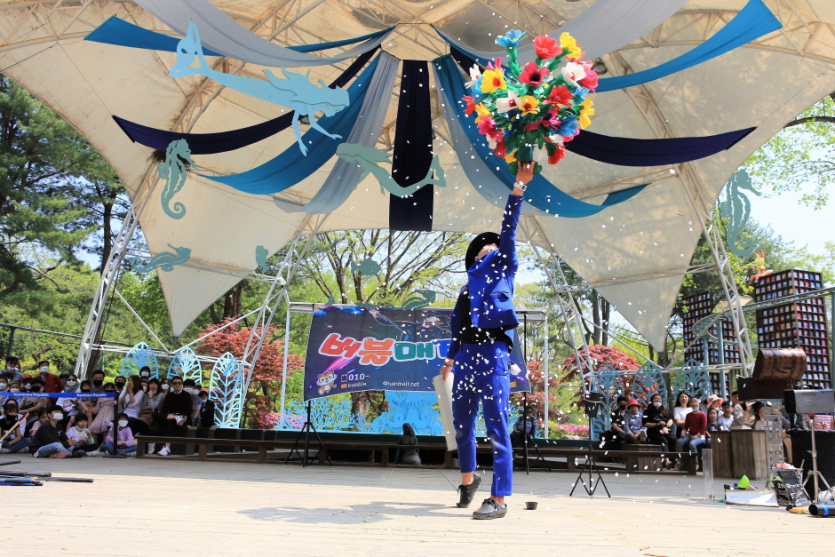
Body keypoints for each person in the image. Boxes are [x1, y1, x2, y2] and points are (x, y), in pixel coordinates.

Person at [438, 162, 532, 520]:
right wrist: (449, 359)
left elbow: (509, 229)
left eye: (491, 245)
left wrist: (518, 190)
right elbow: (457, 329)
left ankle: (500, 499)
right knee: (460, 423)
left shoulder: (504, 267)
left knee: (496, 424)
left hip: (493, 355)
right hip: (466, 358)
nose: (487, 248)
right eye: (481, 247)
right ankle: (468, 479)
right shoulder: (467, 289)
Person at [155, 376, 192, 456]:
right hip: (171, 416)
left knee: (171, 422)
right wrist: (169, 415)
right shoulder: (169, 396)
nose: (177, 385)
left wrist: (180, 417)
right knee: (154, 415)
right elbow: (164, 410)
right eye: (175, 383)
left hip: (183, 418)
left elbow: (188, 411)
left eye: (179, 383)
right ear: (171, 385)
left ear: (182, 384)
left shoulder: (187, 395)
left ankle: (167, 447)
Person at [675, 396, 707, 469]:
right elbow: (686, 426)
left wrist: (697, 435)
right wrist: (684, 432)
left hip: (701, 436)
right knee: (679, 442)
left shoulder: (702, 415)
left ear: (699, 404)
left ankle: (696, 463)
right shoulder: (689, 415)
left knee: (692, 444)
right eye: (692, 402)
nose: (694, 403)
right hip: (690, 434)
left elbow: (703, 428)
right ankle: (679, 460)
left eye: (695, 402)